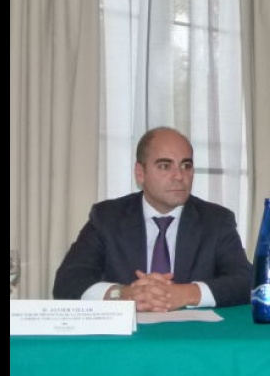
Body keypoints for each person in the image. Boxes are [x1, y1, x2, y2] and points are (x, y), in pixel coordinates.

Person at [53, 126, 253, 311]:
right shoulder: (107, 218)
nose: (179, 176)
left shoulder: (216, 220)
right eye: (165, 166)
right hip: (127, 341)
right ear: (140, 173)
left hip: (192, 338)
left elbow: (246, 281)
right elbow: (67, 281)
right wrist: (121, 294)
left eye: (186, 165)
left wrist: (187, 293)